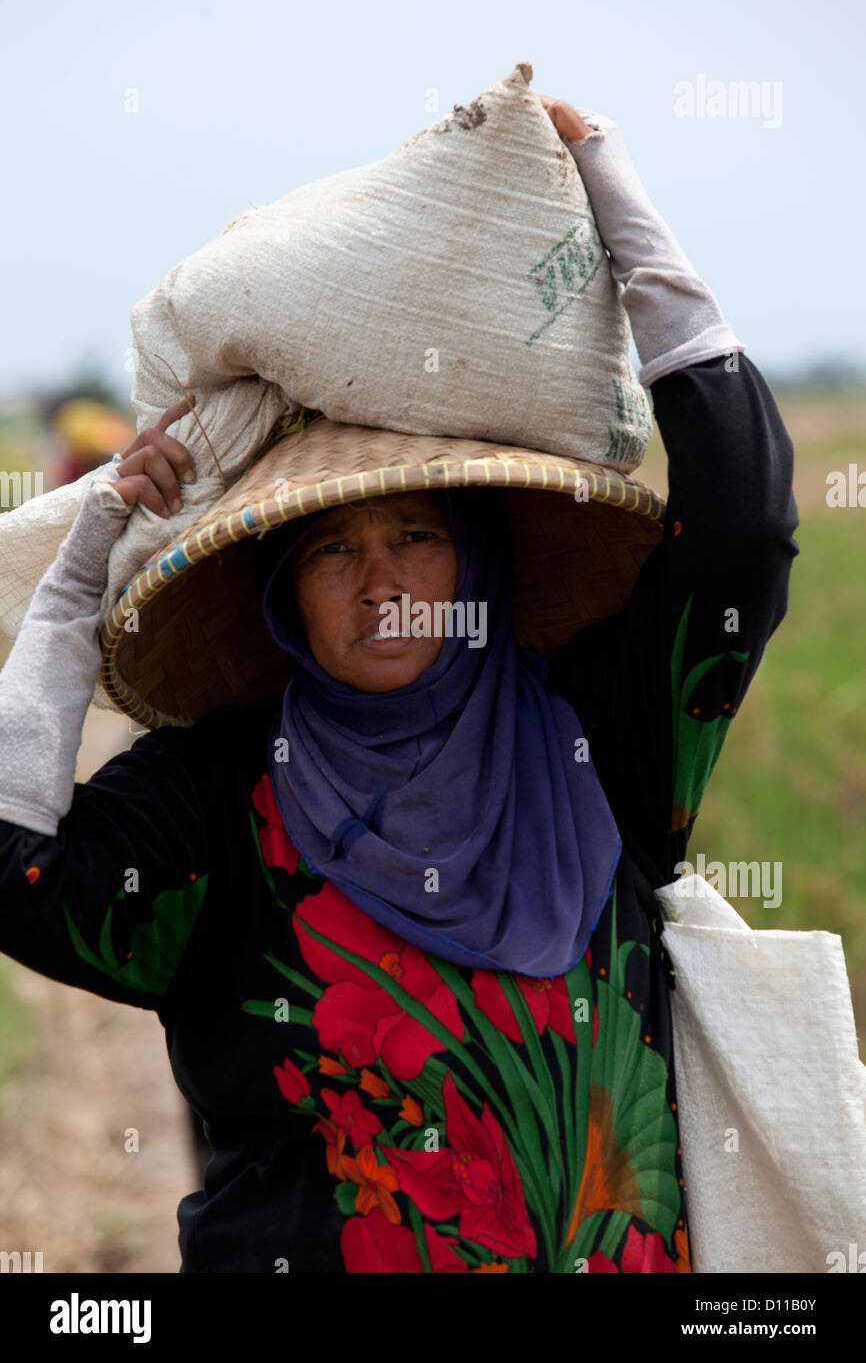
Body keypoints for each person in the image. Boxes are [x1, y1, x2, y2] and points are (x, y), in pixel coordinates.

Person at [0, 97, 799, 1273]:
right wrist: (78, 578)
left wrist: (616, 200)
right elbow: (17, 873)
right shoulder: (217, 790)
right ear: (279, 588)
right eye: (329, 549)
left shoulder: (594, 739)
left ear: (476, 560)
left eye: (416, 534)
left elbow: (740, 529)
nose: (380, 584)